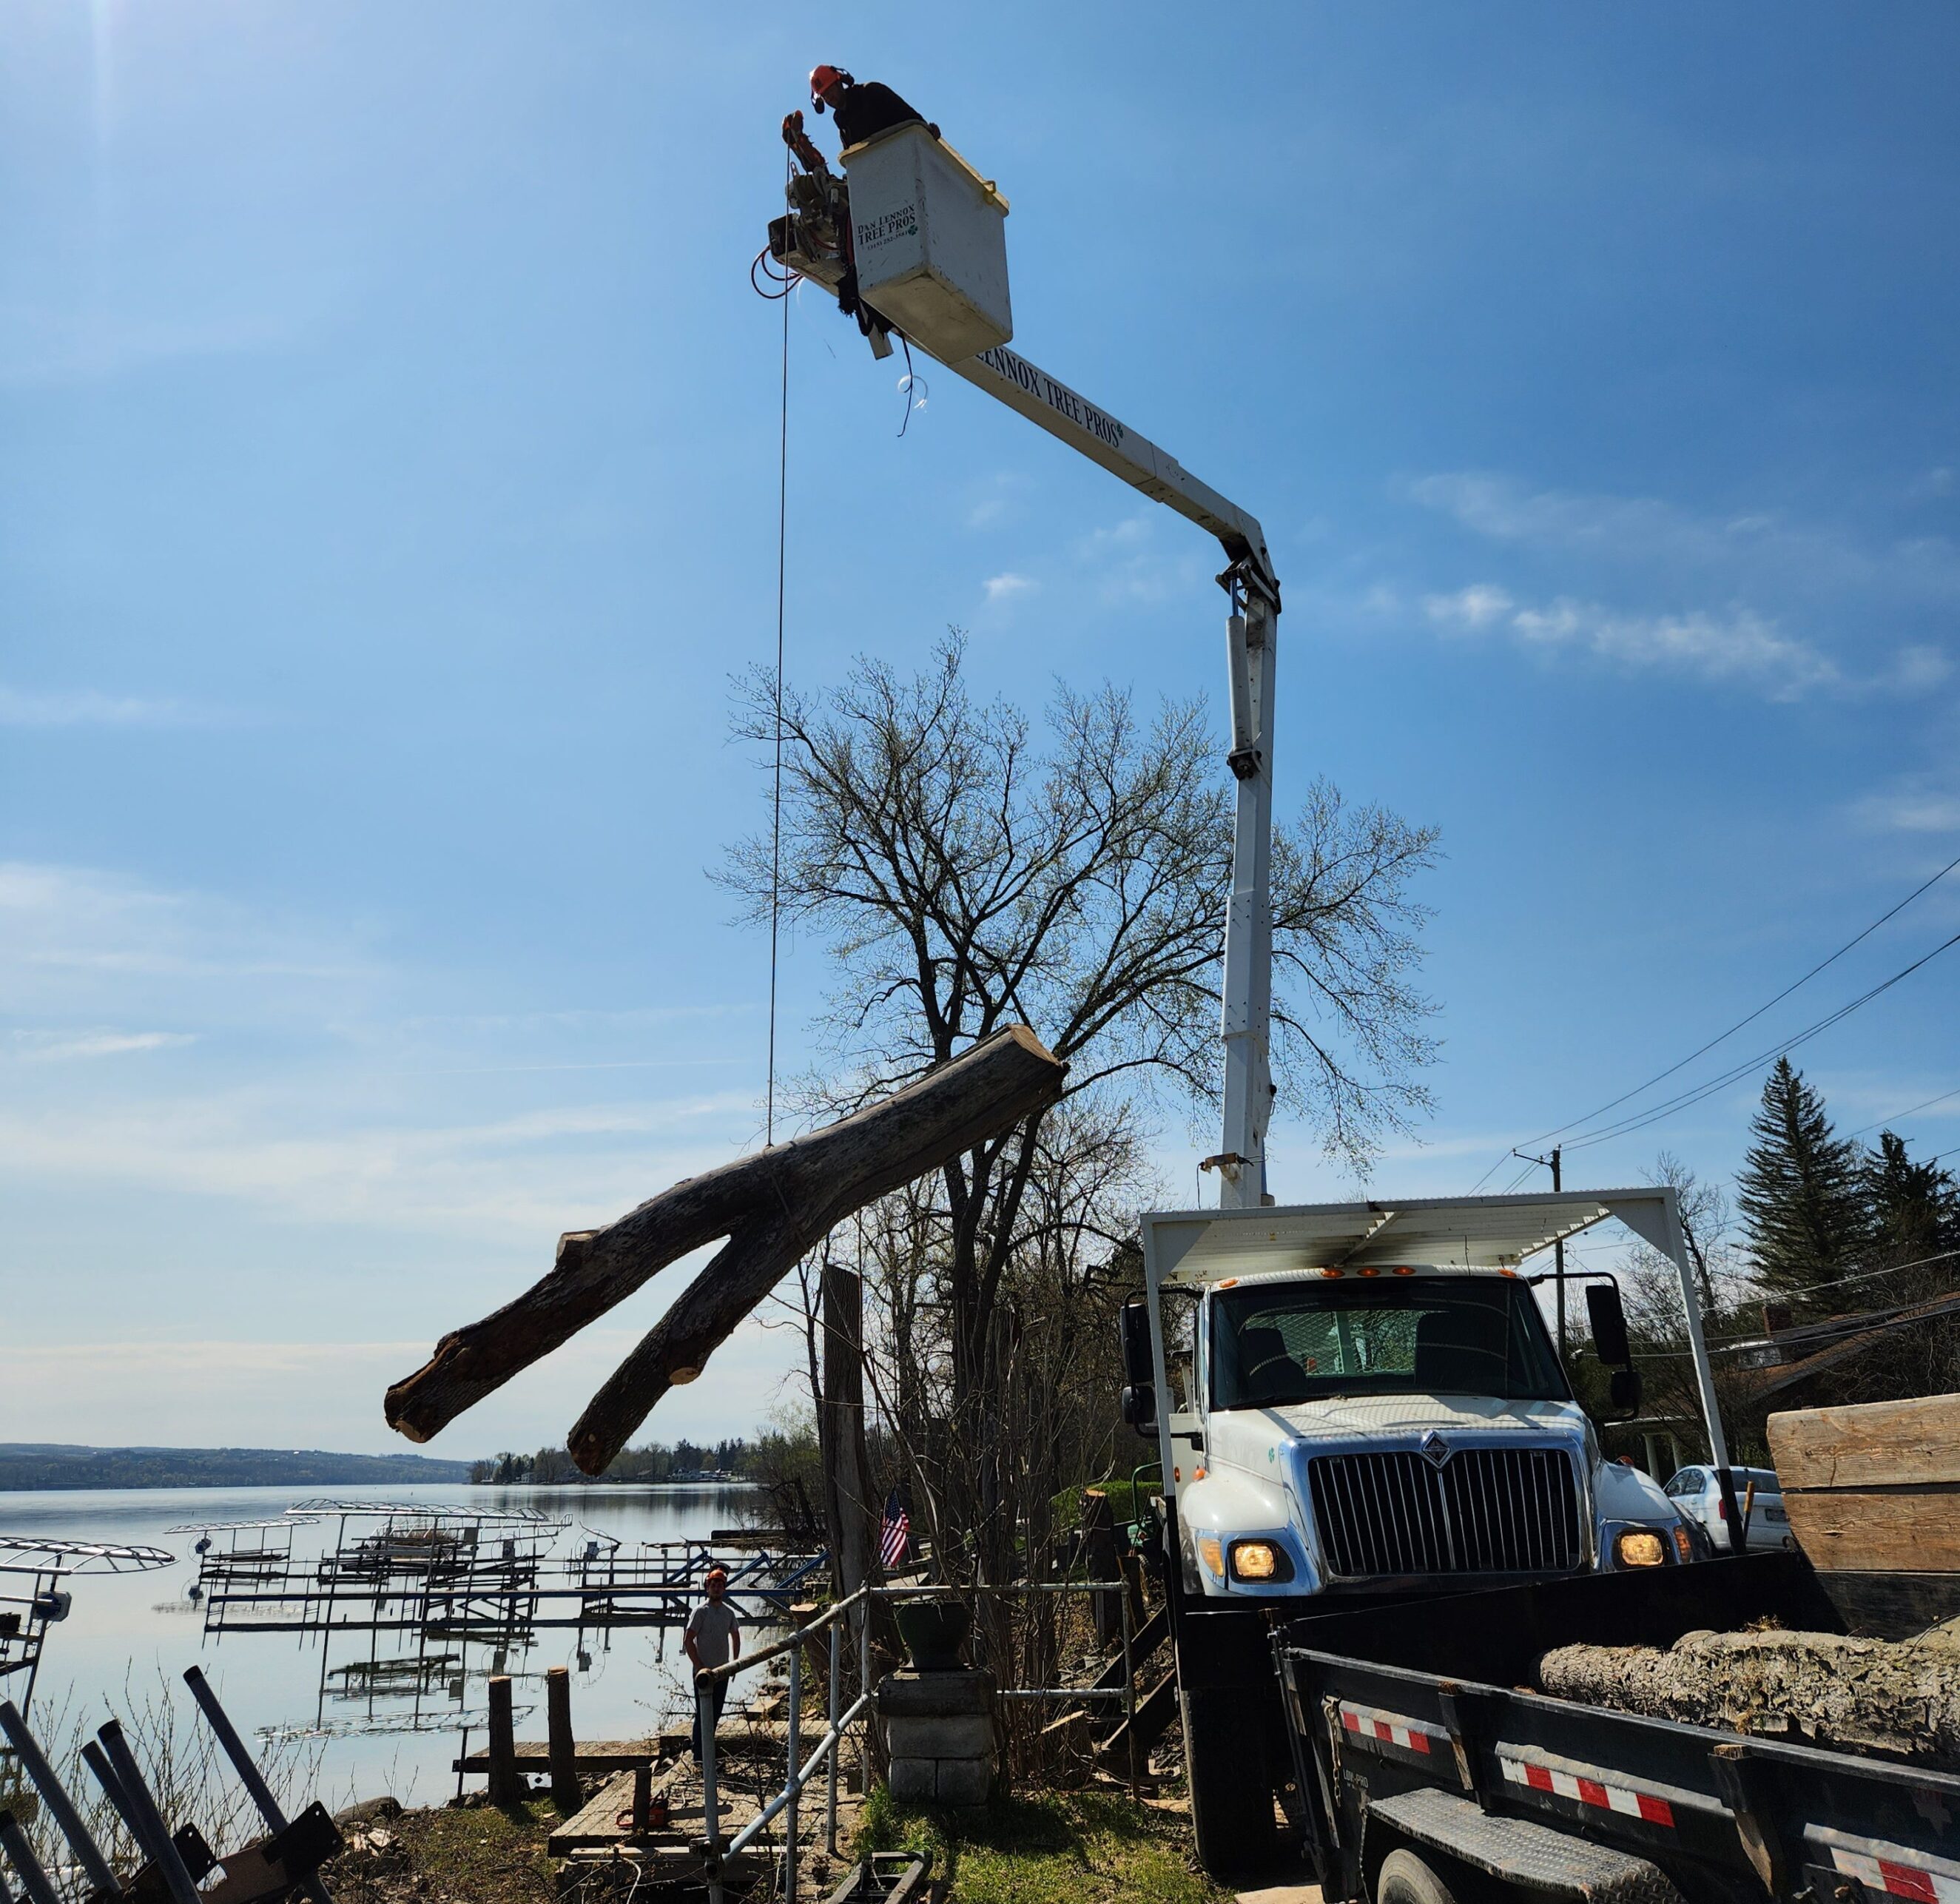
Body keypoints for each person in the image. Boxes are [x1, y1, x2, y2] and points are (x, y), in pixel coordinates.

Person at [684, 1566, 741, 1761]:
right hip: (703, 1674)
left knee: (716, 1713)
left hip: (722, 1672)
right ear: (707, 1587)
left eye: (720, 1585)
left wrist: (735, 1663)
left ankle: (708, 1750)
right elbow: (688, 1640)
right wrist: (699, 1666)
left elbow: (736, 1635)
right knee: (703, 1714)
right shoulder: (700, 1612)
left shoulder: (729, 1613)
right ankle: (699, 1755)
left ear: (724, 1589)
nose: (716, 1588)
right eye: (713, 1585)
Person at [807, 66, 939, 150]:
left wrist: (927, 130)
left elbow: (910, 118)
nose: (829, 98)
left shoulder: (871, 93)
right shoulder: (843, 126)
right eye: (824, 96)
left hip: (903, 154)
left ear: (839, 83)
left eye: (830, 91)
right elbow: (853, 161)